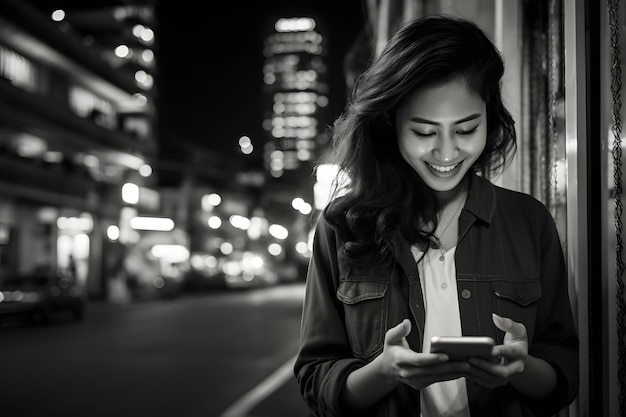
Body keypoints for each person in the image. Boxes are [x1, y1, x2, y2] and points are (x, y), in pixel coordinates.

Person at [294, 14, 579, 417]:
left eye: (465, 130)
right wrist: (383, 373)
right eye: (425, 132)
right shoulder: (341, 228)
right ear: (391, 121)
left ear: (489, 118)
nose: (446, 155)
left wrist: (521, 368)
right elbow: (315, 379)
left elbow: (564, 373)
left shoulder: (529, 222)